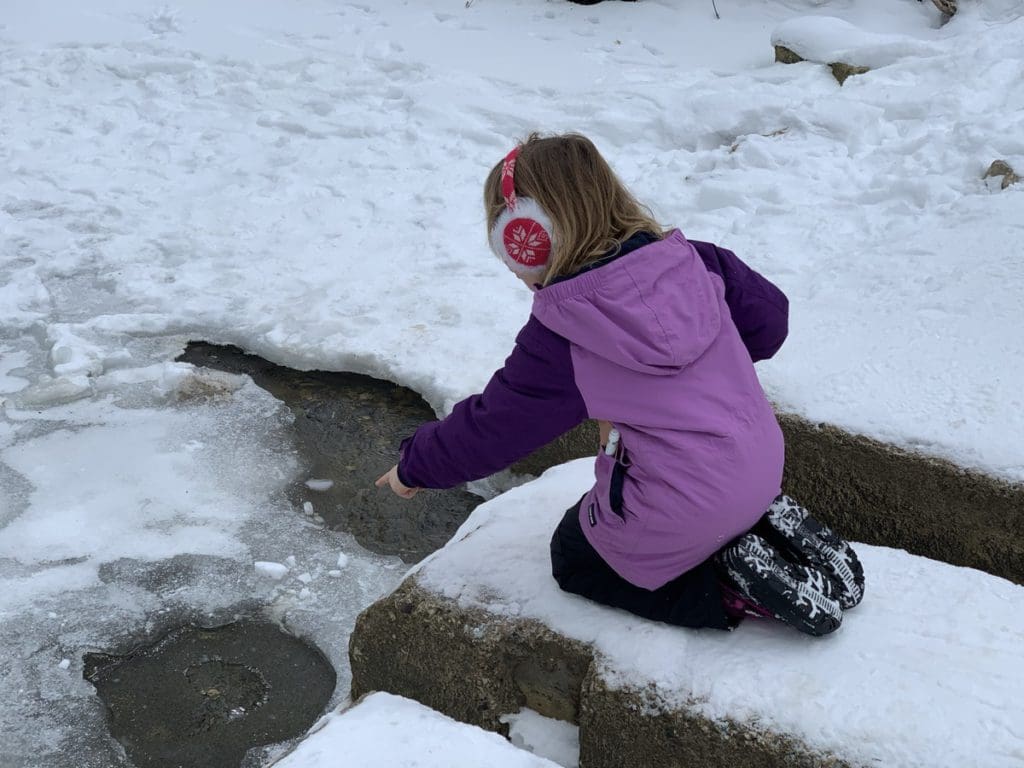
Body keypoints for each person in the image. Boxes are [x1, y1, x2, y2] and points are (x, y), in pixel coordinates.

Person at [376, 133, 864, 636]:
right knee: (666, 500)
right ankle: (753, 528)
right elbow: (770, 322)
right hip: (762, 464)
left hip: (686, 505)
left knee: (574, 553)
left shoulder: (568, 329)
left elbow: (496, 427)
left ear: (526, 240)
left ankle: (728, 585)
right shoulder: (698, 261)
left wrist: (415, 466)